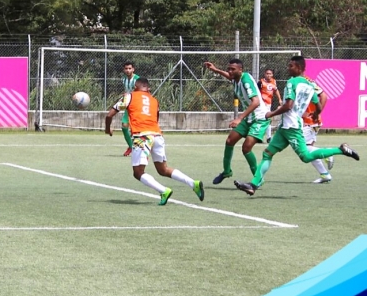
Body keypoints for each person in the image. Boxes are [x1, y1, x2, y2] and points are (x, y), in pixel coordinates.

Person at [234, 56, 359, 196]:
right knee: (267, 153)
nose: (288, 68)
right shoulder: (310, 85)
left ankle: (341, 150)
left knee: (306, 156)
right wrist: (316, 114)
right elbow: (318, 105)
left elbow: (288, 105)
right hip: (285, 127)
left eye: (291, 66)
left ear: (299, 68)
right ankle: (253, 185)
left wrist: (271, 113)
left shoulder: (292, 82)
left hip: (292, 126)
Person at [105, 78, 204, 206]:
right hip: (157, 135)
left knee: (138, 172)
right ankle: (193, 183)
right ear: (148, 88)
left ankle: (163, 191)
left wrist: (107, 129)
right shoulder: (154, 100)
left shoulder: (129, 96)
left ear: (135, 87)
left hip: (142, 136)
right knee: (163, 169)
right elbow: (155, 119)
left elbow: (109, 115)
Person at [204, 59, 270, 185]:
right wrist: (216, 70)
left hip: (259, 119)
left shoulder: (246, 80)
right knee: (230, 141)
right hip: (249, 117)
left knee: (246, 148)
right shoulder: (235, 78)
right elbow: (229, 76)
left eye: (232, 69)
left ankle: (258, 178)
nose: (230, 71)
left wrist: (239, 118)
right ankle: (226, 171)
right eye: (229, 68)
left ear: (240, 70)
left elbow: (256, 102)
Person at [302, 78, 334, 183]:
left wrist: (316, 113)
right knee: (310, 151)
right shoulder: (296, 80)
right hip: (306, 121)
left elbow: (324, 96)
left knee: (305, 149)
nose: (288, 70)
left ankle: (327, 153)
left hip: (309, 121)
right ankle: (325, 175)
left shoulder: (307, 82)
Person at [118, 61, 139, 157]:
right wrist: (124, 98)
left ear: (133, 69)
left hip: (137, 106)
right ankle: (131, 147)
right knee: (124, 126)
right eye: (126, 68)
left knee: (137, 129)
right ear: (124, 70)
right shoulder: (124, 79)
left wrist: (130, 94)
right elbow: (126, 92)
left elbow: (142, 91)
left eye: (130, 68)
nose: (128, 70)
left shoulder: (137, 79)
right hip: (128, 105)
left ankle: (140, 148)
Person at [258, 68, 281, 143]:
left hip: (268, 104)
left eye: (270, 74)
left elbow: (276, 90)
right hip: (261, 104)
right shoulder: (261, 82)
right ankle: (259, 137)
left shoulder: (274, 81)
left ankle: (268, 137)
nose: (268, 75)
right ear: (264, 74)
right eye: (267, 73)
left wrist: (279, 99)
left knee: (268, 120)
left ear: (272, 75)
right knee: (262, 119)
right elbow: (257, 92)